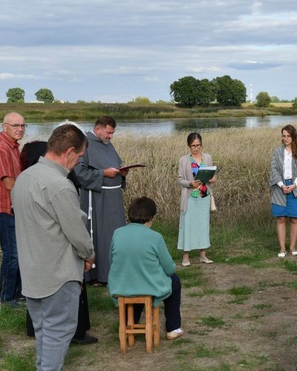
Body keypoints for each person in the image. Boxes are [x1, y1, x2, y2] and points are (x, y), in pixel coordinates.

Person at [12, 124, 95, 370]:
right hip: (57, 274)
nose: (78, 162)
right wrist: (88, 255)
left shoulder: (24, 177)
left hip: (31, 272)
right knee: (58, 333)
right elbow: (77, 232)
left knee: (43, 332)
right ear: (68, 151)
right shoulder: (59, 185)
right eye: (79, 157)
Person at [108, 197, 183, 340]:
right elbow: (169, 269)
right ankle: (173, 328)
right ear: (150, 217)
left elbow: (112, 262)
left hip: (121, 286)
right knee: (174, 280)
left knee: (135, 281)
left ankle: (130, 323)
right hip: (148, 285)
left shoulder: (117, 233)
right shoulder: (155, 237)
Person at [74, 115, 128, 286]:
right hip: (97, 199)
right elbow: (80, 174)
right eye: (109, 133)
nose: (111, 136)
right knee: (101, 235)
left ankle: (114, 271)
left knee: (115, 235)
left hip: (113, 198)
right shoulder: (84, 144)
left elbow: (113, 165)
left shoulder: (106, 143)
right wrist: (103, 173)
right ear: (98, 129)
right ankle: (97, 274)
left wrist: (121, 173)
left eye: (112, 133)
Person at [0, 112, 25, 308]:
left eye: (22, 125)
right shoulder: (2, 148)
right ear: (5, 127)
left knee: (17, 251)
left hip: (11, 206)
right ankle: (5, 299)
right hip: (4, 206)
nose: (20, 129)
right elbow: (10, 184)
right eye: (15, 126)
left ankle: (18, 294)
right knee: (12, 253)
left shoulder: (12, 146)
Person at [269, 125, 297, 258]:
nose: (285, 138)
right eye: (284, 136)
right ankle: (282, 248)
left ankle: (292, 247)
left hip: (295, 187)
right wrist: (281, 185)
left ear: (293, 137)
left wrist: (294, 185)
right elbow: (273, 170)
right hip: (280, 186)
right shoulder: (277, 152)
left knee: (294, 218)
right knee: (280, 218)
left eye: (288, 136)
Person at [177, 132, 216, 266]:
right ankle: (186, 257)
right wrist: (189, 183)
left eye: (198, 145)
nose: (196, 148)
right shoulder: (183, 160)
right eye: (193, 146)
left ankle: (203, 255)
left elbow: (211, 174)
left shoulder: (208, 157)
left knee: (203, 226)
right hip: (190, 198)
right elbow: (180, 179)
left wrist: (213, 179)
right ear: (189, 146)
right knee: (188, 225)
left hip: (204, 197)